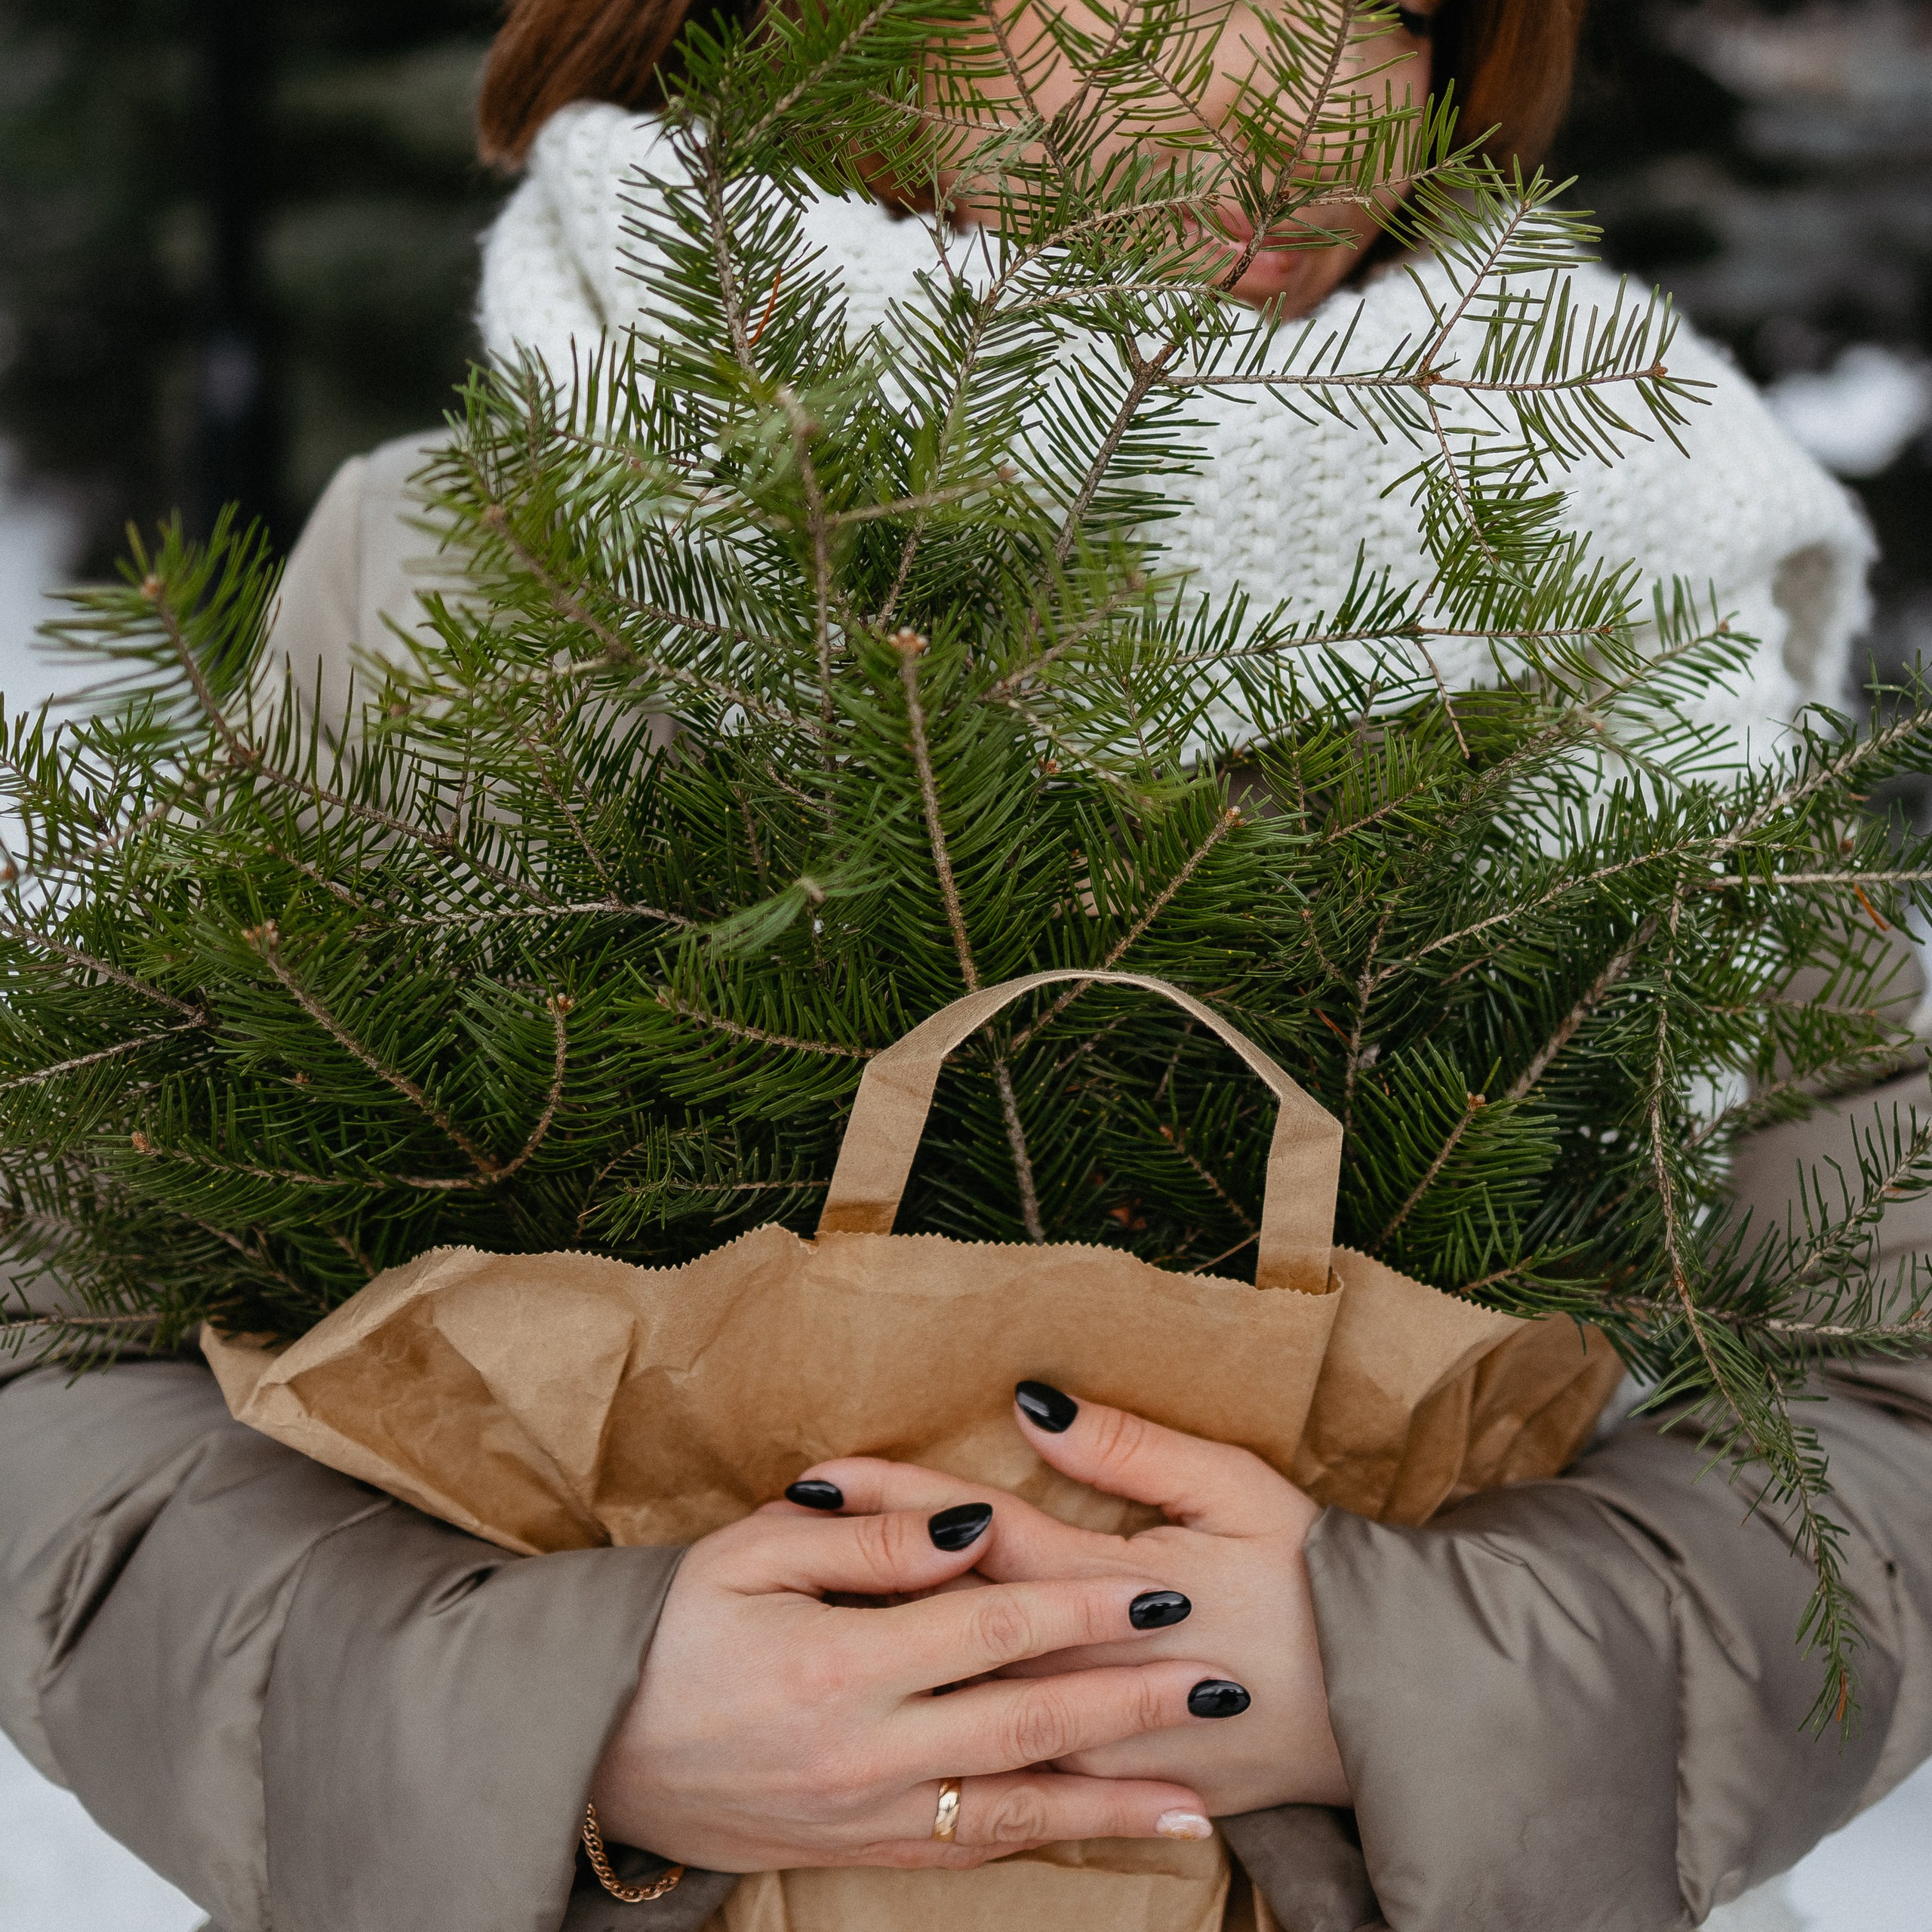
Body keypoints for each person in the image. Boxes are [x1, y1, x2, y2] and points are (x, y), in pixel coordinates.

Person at [2, 5, 1927, 1930]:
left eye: (1387, 10)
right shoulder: (459, 564)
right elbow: (63, 1346)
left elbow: (1882, 1366)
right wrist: (568, 1711)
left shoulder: (1646, 567)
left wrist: (1400, 1674)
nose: (1277, 116)